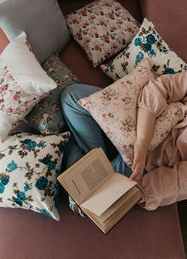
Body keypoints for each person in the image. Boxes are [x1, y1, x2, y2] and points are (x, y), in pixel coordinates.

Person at [61, 70, 187, 214]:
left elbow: (179, 182)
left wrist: (136, 192)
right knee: (72, 97)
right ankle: (92, 160)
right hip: (140, 117)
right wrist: (142, 142)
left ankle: (76, 152)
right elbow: (161, 87)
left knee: (85, 197)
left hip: (141, 163)